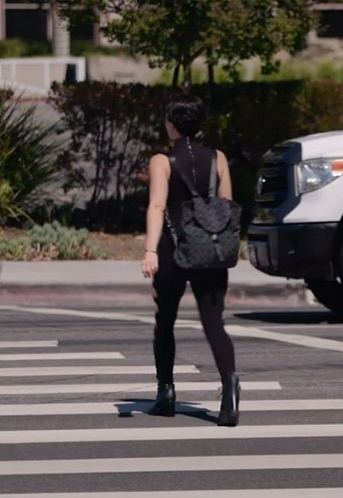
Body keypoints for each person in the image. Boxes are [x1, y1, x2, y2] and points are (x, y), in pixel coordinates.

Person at [140, 94, 240, 427]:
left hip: (173, 250)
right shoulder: (219, 159)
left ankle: (166, 392)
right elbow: (225, 206)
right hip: (209, 251)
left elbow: (156, 206)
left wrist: (150, 250)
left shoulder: (162, 161)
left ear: (171, 123)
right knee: (214, 323)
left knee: (165, 321)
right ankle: (229, 391)